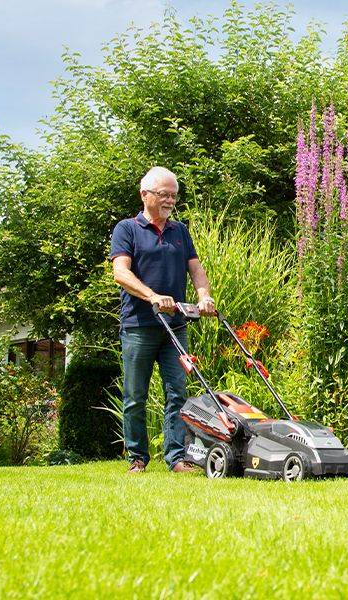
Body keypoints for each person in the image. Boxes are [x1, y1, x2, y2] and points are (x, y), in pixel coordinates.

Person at [110, 166, 215, 473]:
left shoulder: (180, 231)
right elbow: (121, 272)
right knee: (135, 395)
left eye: (174, 195)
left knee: (177, 392)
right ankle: (137, 459)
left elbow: (195, 269)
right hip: (139, 326)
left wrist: (204, 296)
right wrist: (151, 295)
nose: (170, 200)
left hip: (175, 327)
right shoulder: (127, 229)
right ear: (145, 195)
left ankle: (176, 458)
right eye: (164, 194)